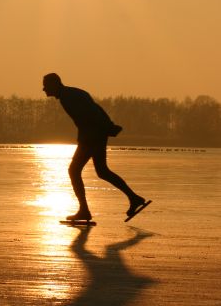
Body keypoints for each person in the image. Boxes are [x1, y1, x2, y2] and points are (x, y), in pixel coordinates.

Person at [42, 73, 150, 222]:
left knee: (74, 170)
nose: (43, 89)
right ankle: (134, 198)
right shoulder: (71, 94)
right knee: (102, 171)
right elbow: (96, 108)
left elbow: (92, 112)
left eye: (45, 85)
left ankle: (84, 211)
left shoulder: (69, 97)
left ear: (55, 84)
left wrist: (107, 127)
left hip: (91, 137)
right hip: (95, 135)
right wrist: (108, 126)